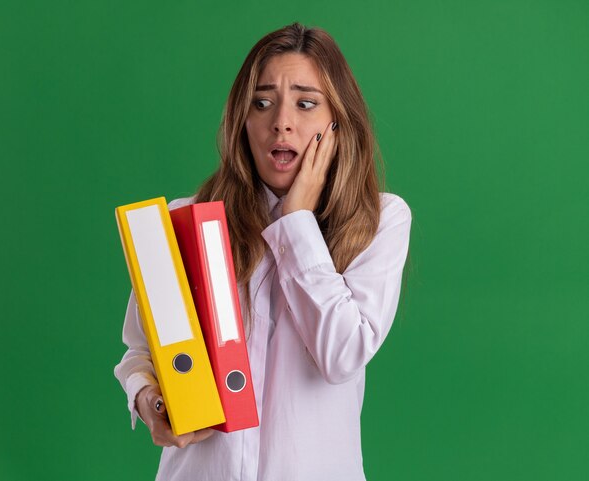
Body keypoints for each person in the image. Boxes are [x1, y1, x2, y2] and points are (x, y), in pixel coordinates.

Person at [115, 22, 411, 481]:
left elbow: (342, 354)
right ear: (242, 120)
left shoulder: (379, 221)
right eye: (262, 102)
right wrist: (149, 401)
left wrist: (296, 224)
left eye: (306, 103)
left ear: (337, 123)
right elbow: (140, 351)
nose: (282, 122)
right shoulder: (184, 219)